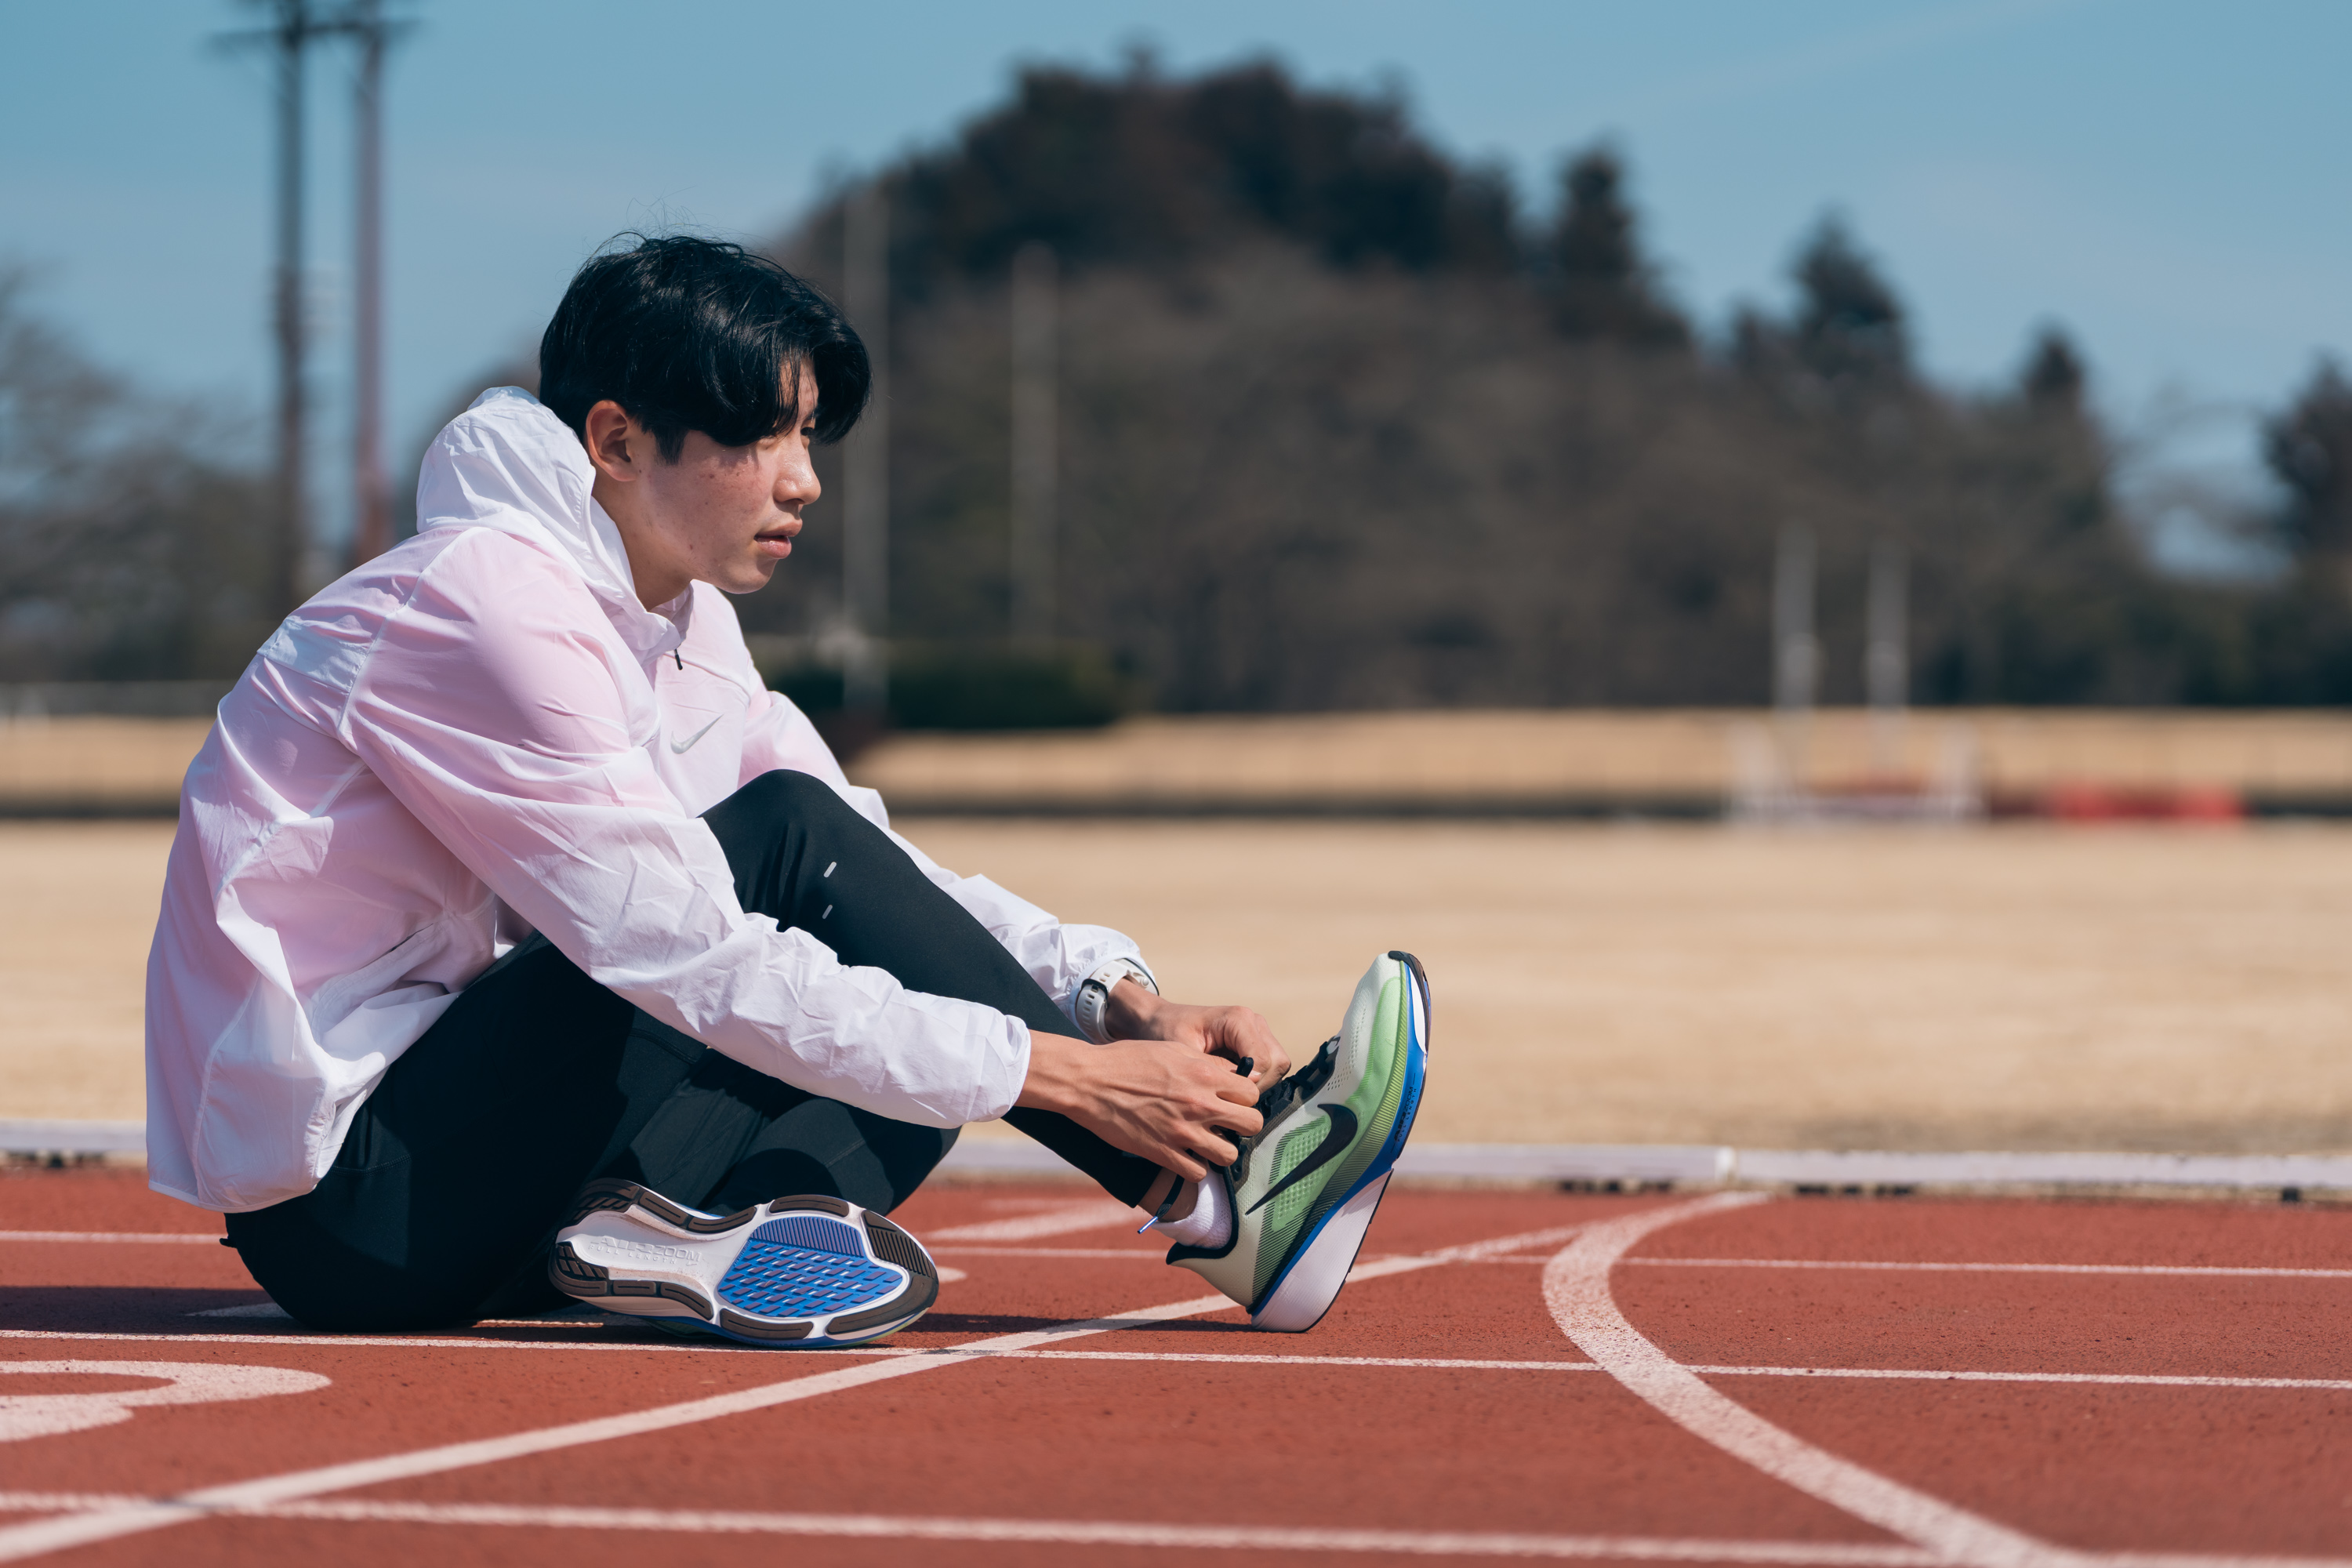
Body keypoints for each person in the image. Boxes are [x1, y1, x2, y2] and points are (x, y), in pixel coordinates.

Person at [144, 235, 1429, 1346]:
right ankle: (1224, 1197)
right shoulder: (480, 606)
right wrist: (1067, 1080)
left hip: (477, 1181)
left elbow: (874, 878)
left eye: (806, 435)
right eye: (762, 437)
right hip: (359, 1205)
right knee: (881, 977)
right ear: (616, 439)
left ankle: (650, 1251)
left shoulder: (672, 616)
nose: (803, 478)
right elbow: (690, 946)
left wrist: (1112, 1002)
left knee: (910, 1034)